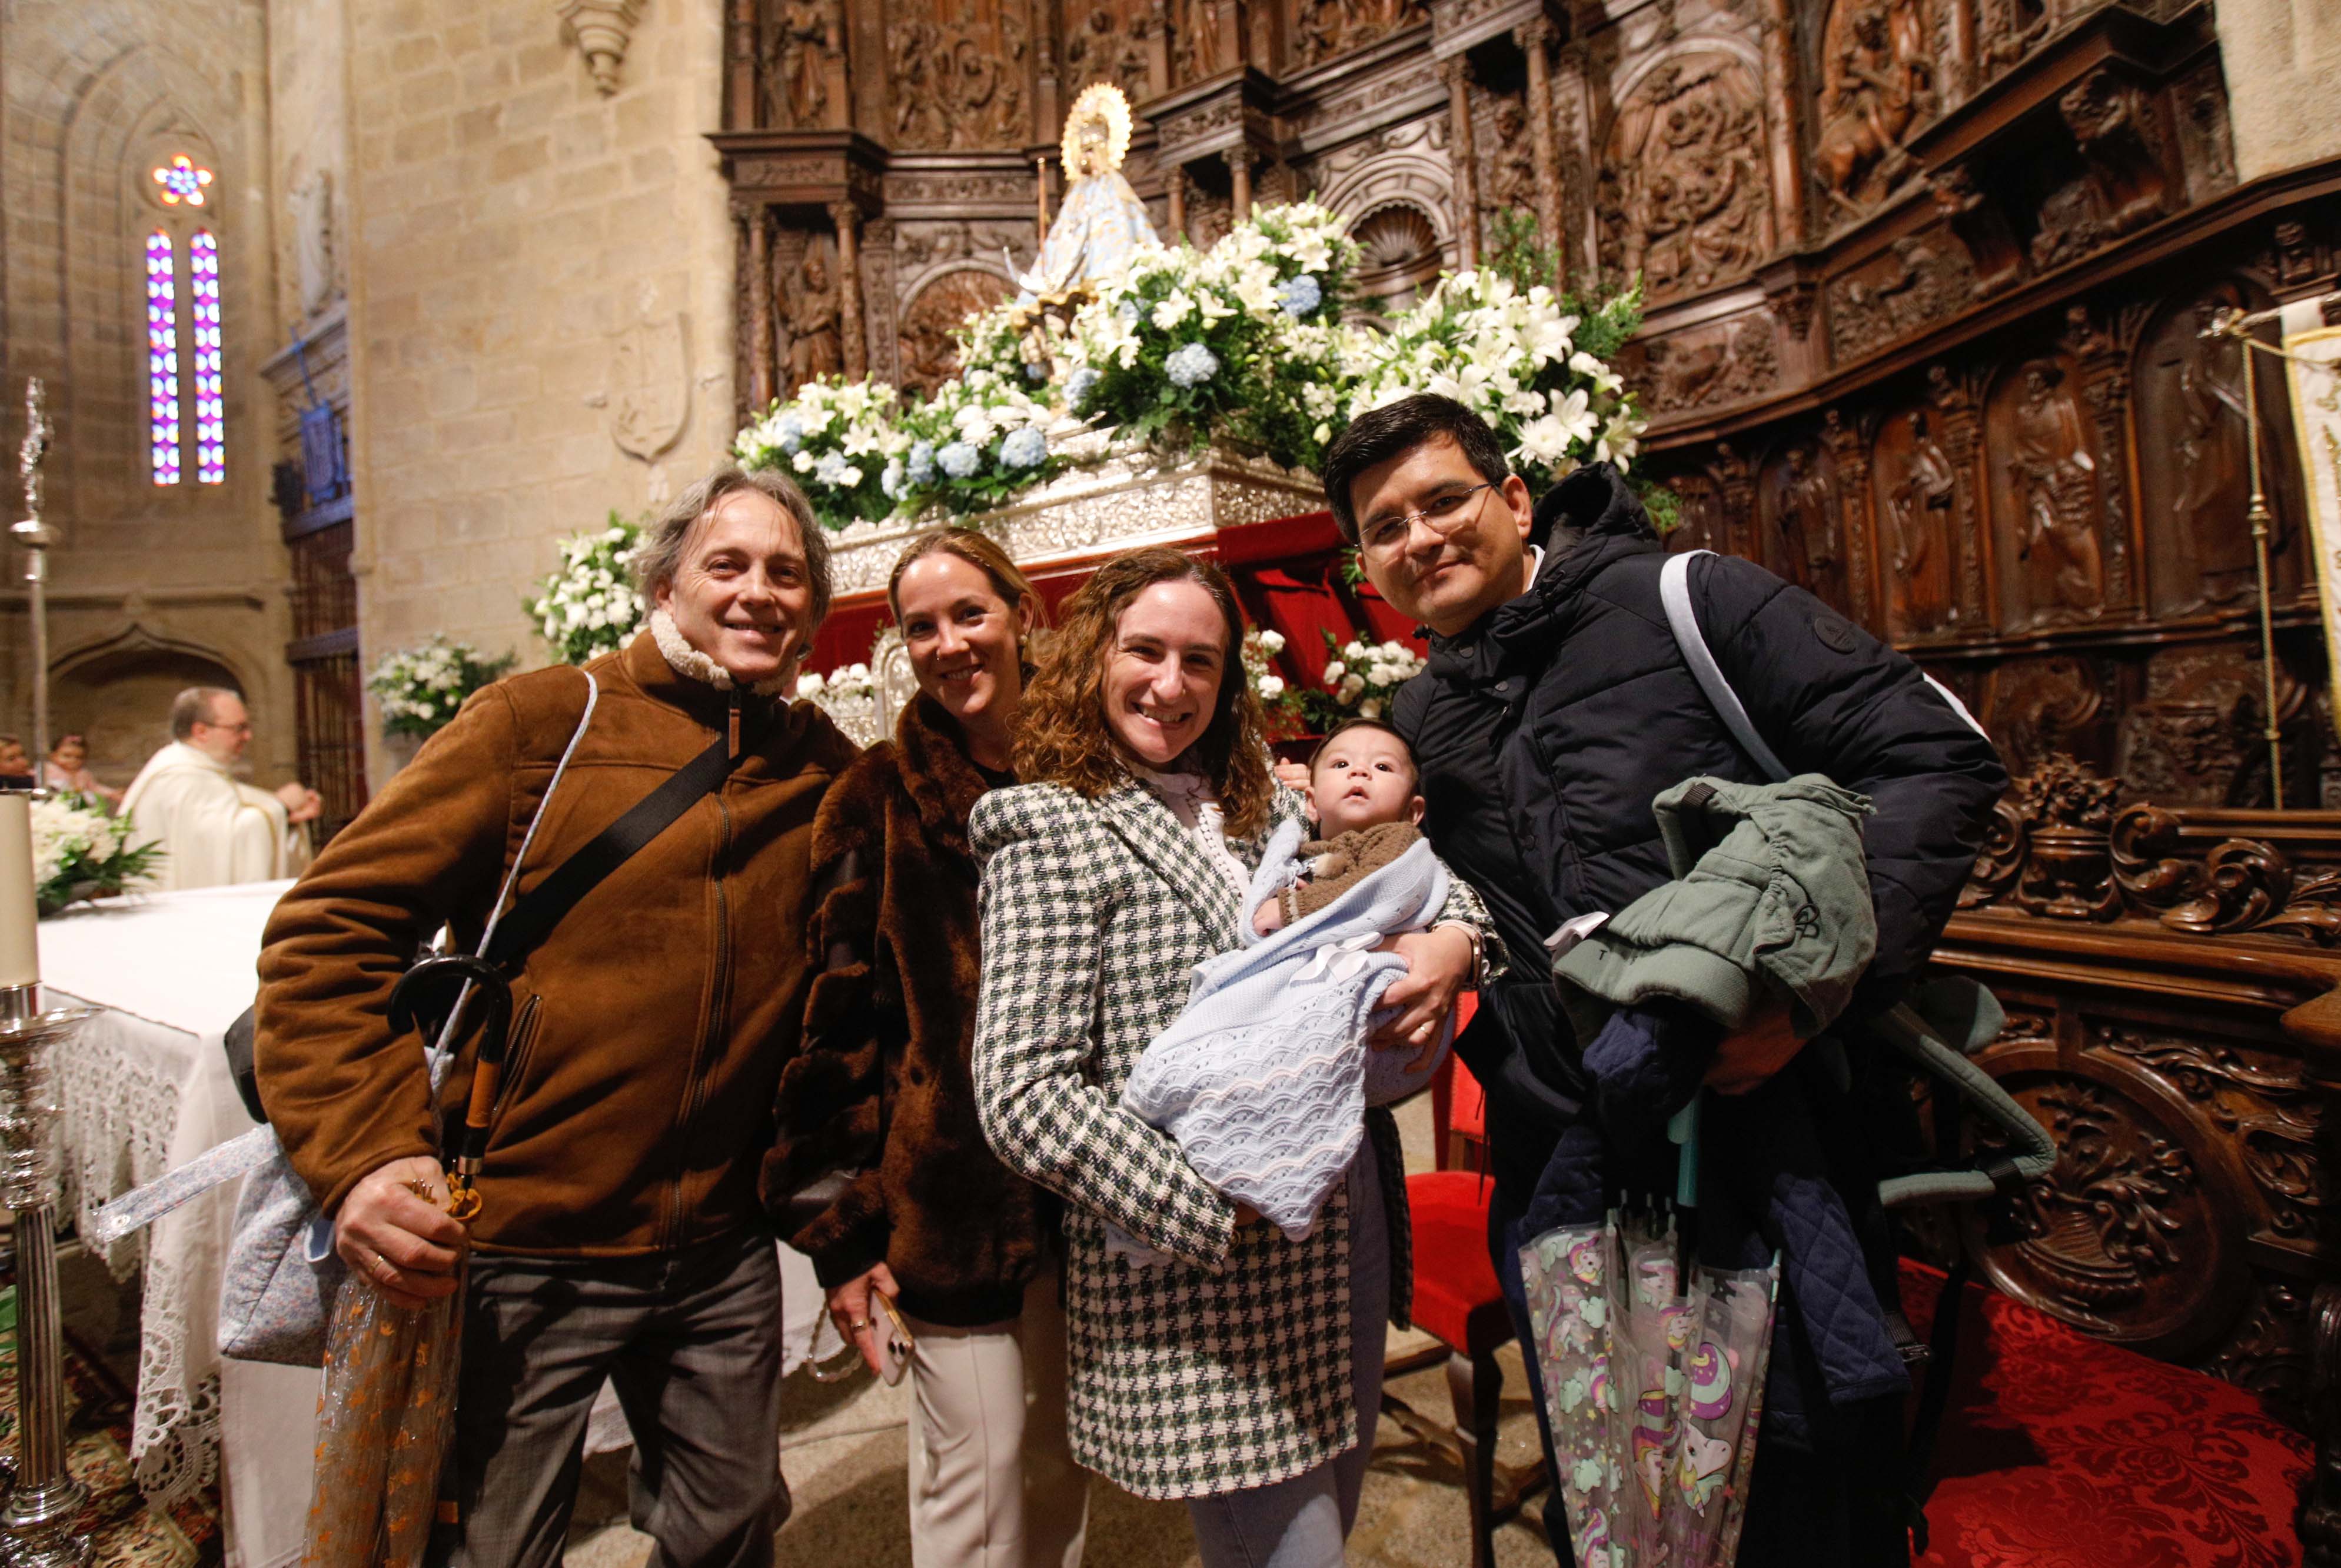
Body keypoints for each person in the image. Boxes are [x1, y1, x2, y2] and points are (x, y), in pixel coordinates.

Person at [1315, 394, 2007, 1566]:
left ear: (1516, 498)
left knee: (1797, 1498)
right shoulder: (1423, 709)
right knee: (1630, 1505)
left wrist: (1798, 998)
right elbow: (1492, 890)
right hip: (1567, 1164)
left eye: (1444, 500)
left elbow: (1939, 758)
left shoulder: (1686, 598)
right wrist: (1454, 940)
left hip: (1761, 1132)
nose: (1421, 538)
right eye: (1387, 527)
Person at [254, 465, 857, 1568]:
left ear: (815, 611)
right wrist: (370, 1159)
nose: (758, 593)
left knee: (729, 1534)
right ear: (665, 585)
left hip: (718, 1249)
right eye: (727, 565)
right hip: (527, 1236)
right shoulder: (543, 722)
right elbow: (328, 934)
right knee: (493, 1545)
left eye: (787, 573)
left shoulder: (820, 767)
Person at [969, 547, 1498, 1568]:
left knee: (1330, 1519)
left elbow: (1421, 871)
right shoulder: (1049, 826)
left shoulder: (1265, 808)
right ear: (1091, 659)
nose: (1170, 686)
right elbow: (1022, 1092)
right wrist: (1212, 1205)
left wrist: (1450, 944)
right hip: (1210, 1280)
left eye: (1199, 662)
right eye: (1145, 652)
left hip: (1346, 1236)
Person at [766, 527, 1090, 1568]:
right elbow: (835, 1026)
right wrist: (839, 1230)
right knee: (973, 1482)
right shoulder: (874, 797)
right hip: (950, 1201)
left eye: (969, 614)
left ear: (1021, 613)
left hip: (1090, 1187)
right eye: (920, 627)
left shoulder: (1096, 770)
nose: (948, 643)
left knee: (1056, 1467)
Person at [121, 689, 318, 890]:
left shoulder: (197, 771)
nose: (248, 736)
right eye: (238, 728)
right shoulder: (180, 778)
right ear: (201, 732)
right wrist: (281, 806)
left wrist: (288, 818)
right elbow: (214, 849)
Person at [41, 733, 123, 808]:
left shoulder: (83, 774)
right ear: (53, 756)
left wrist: (112, 793)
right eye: (67, 756)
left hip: (78, 806)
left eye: (79, 757)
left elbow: (95, 788)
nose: (73, 760)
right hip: (55, 806)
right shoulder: (49, 769)